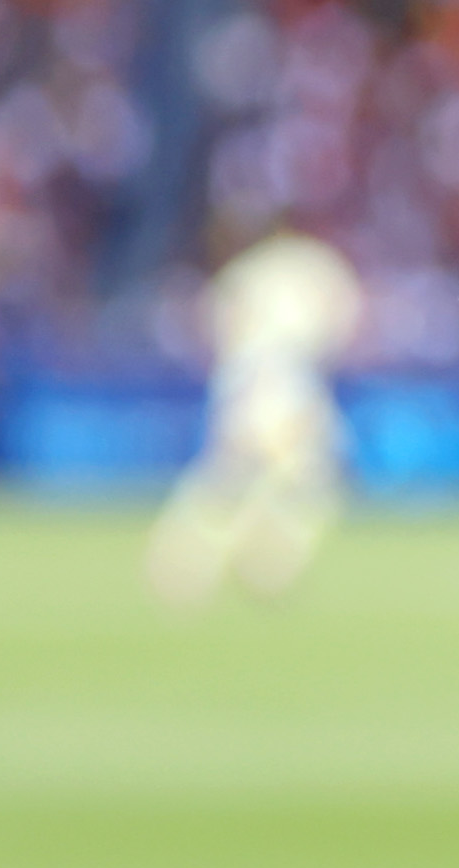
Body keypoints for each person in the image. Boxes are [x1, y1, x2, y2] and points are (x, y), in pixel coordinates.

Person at [151, 222, 359, 605]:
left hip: (246, 379)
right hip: (282, 379)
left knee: (236, 475)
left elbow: (217, 328)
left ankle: (201, 556)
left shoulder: (247, 272)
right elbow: (341, 325)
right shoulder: (313, 265)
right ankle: (258, 560)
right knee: (309, 474)